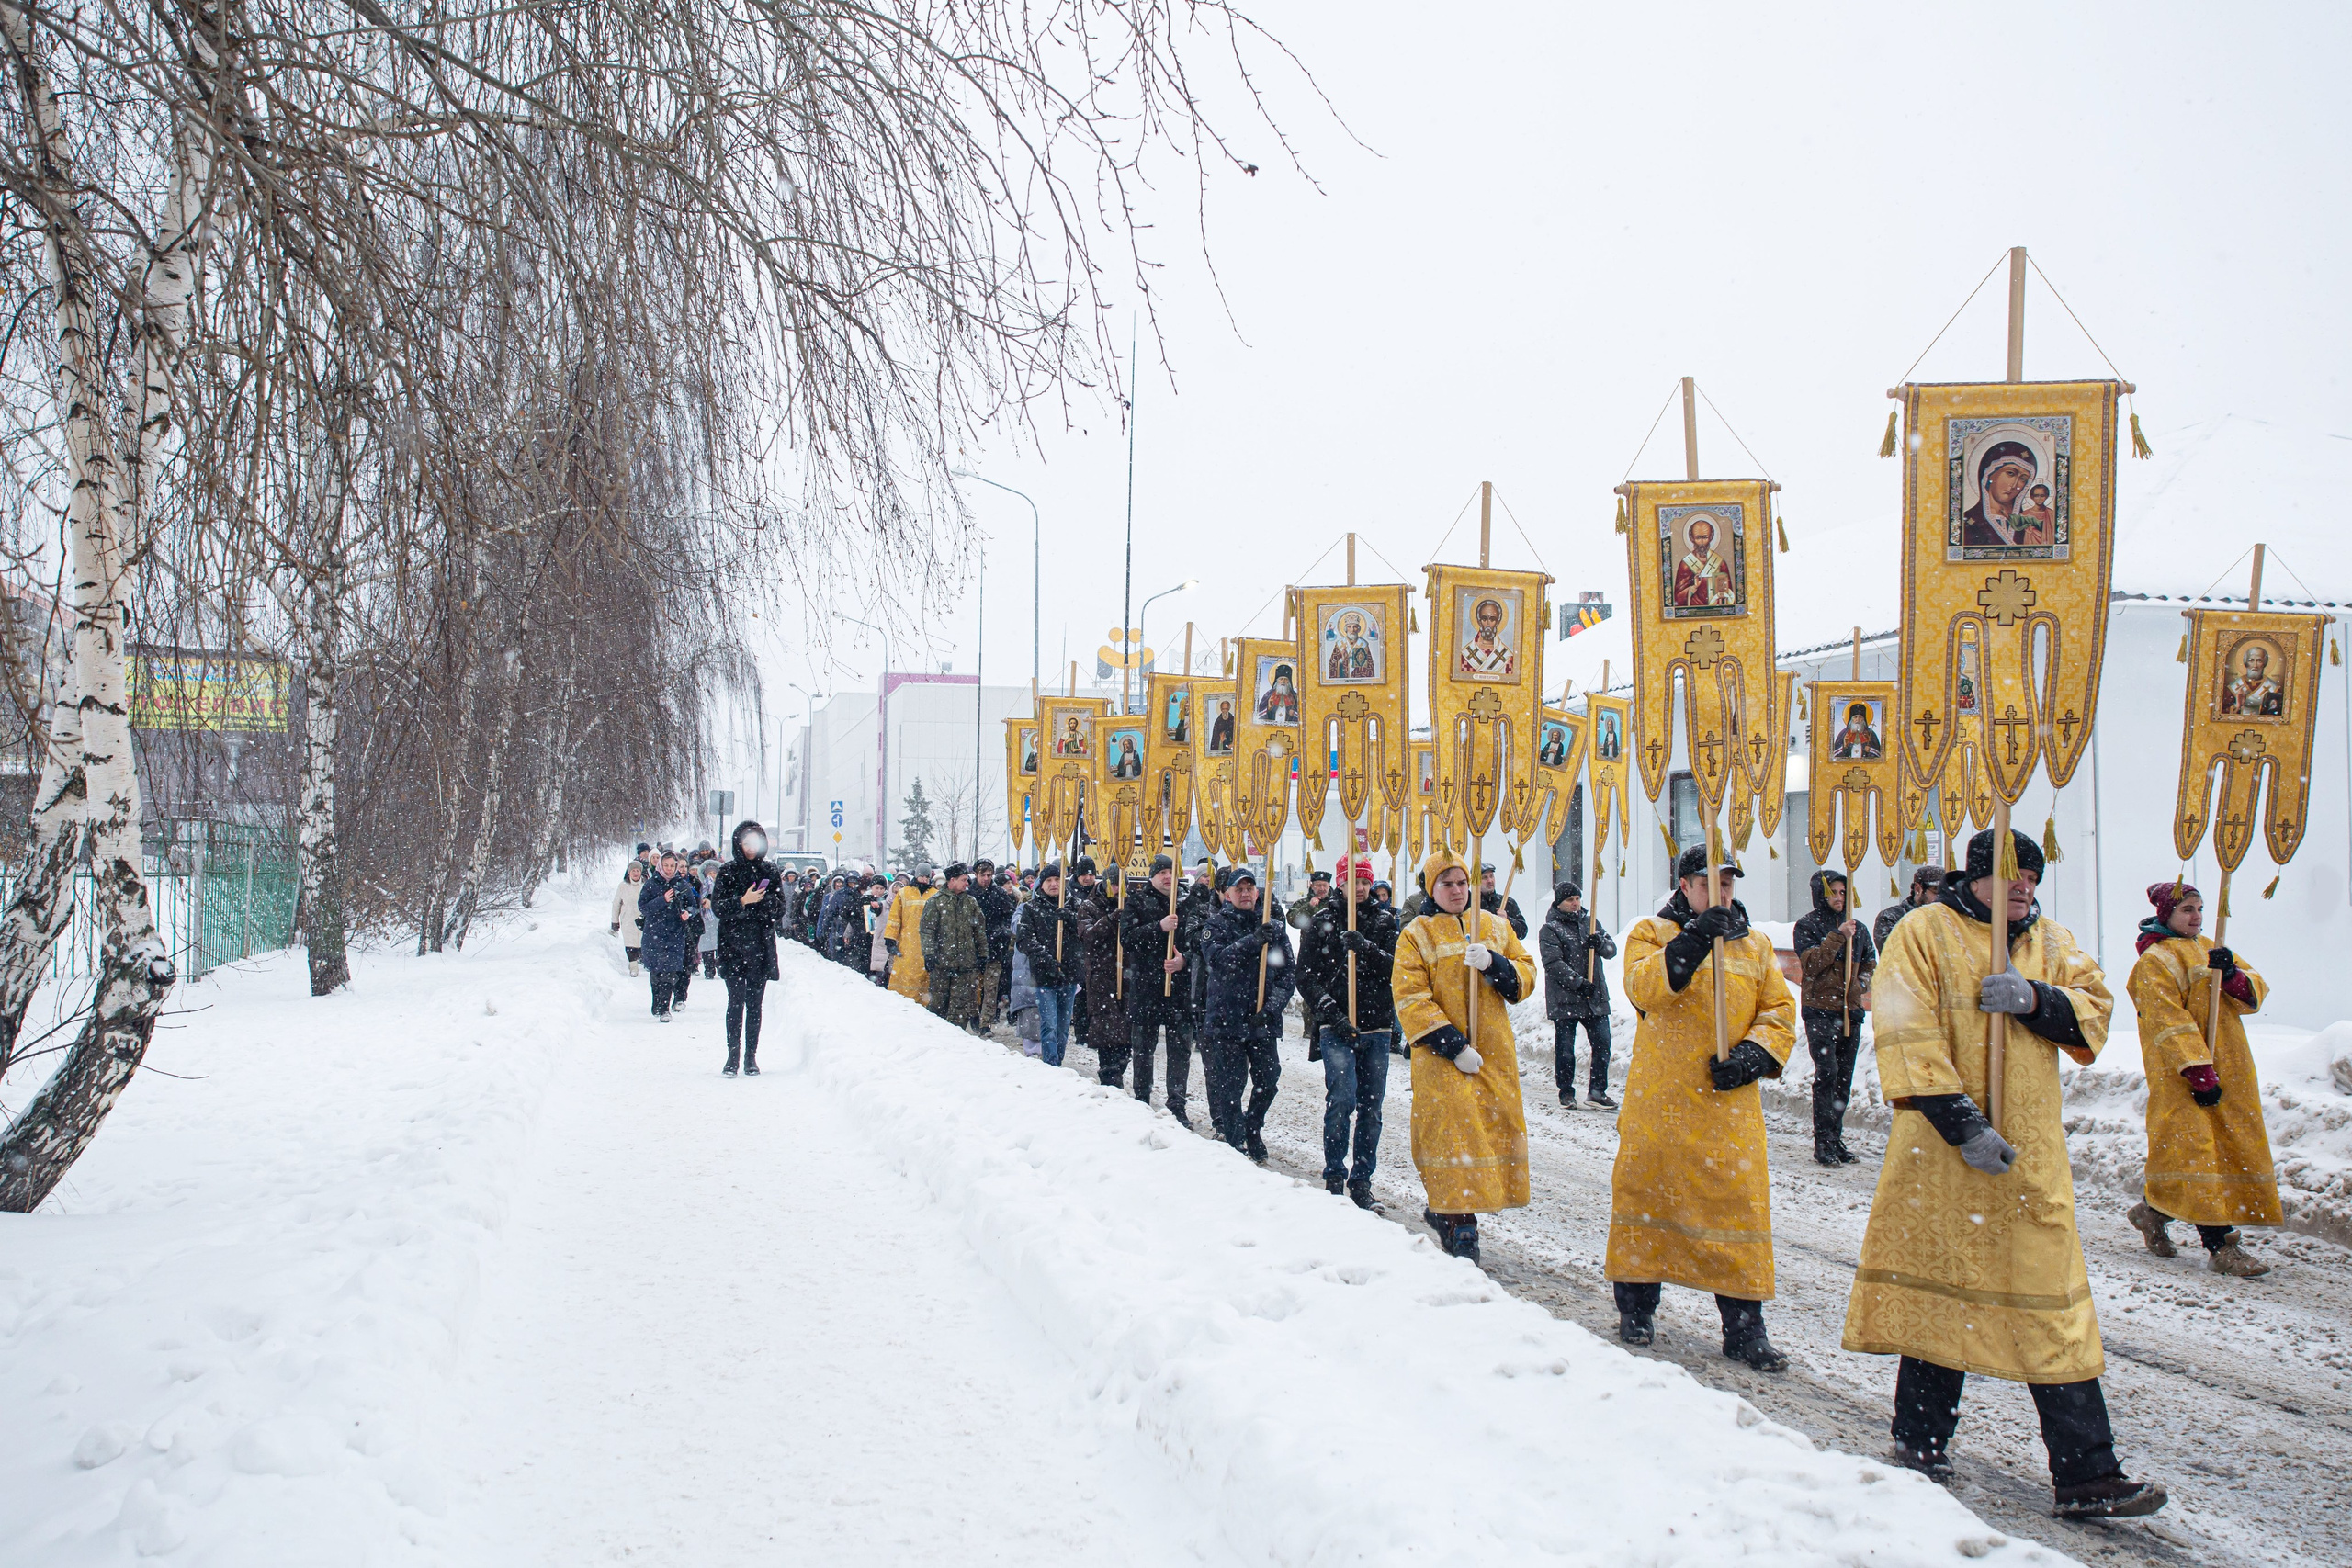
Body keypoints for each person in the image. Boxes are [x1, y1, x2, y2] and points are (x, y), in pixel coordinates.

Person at [1843, 829, 2167, 1519]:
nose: (2025, 886)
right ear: (1976, 874)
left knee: (2056, 1312)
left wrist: (2036, 999)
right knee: (1944, 1300)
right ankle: (1920, 1440)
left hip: (2028, 1166)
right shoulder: (1923, 932)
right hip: (1944, 1160)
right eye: (2012, 874)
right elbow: (1904, 1031)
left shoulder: (2050, 939)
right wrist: (1960, 1122)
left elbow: (2096, 1008)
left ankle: (2086, 1474)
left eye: (2033, 876)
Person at [1608, 847, 1797, 1369]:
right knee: (1649, 1200)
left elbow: (1779, 1010)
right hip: (1661, 1102)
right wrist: (1692, 940)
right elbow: (1643, 990)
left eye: (1728, 885)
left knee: (1736, 1209)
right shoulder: (1652, 934)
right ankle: (1637, 1308)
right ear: (1686, 887)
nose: (1722, 895)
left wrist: (1752, 1057)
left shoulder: (1755, 946)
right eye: (1709, 884)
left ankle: (1744, 1329)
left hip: (1726, 1108)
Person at [2124, 880, 2278, 1277]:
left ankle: (2152, 1211)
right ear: (2166, 915)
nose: (2196, 917)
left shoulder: (2211, 946)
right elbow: (2167, 1023)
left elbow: (2253, 990)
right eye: (2187, 909)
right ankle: (2222, 1247)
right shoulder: (2153, 962)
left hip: (2230, 1064)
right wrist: (2198, 1072)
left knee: (2220, 1149)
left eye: (2199, 908)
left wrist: (2231, 976)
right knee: (2196, 1153)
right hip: (2183, 1075)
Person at [1393, 849, 1535, 1264]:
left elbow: (1526, 975)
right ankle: (1460, 1227)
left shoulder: (1493, 926)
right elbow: (1410, 998)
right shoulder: (1416, 934)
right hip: (1442, 1060)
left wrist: (1498, 964)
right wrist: (1453, 1046)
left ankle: (1450, 1212)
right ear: (1431, 890)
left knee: (1486, 1135)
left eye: (1461, 883)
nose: (1456, 891)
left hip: (1493, 1055)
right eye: (1446, 884)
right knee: (1453, 1139)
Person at [1298, 855, 1400, 1207]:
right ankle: (1334, 1175)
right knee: (1341, 1100)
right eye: (1352, 881)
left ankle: (1362, 1180)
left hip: (1377, 1026)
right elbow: (1305, 976)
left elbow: (1399, 969)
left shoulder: (1388, 920)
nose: (1359, 888)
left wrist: (1367, 949)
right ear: (1339, 884)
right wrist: (1331, 1013)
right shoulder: (1321, 921)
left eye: (1365, 881)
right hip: (1336, 1026)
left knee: (1371, 1108)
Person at [1200, 865, 1292, 1161]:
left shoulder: (1273, 926)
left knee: (1268, 1079)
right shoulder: (1215, 925)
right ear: (1227, 894)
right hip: (1227, 1019)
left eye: (1250, 888)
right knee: (1231, 1085)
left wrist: (1271, 1008)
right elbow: (1219, 961)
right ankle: (1235, 1140)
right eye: (1238, 889)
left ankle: (1252, 1127)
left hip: (1260, 1021)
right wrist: (1254, 940)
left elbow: (1288, 973)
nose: (1245, 893)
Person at [1793, 869, 1876, 1167]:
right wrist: (1837, 938)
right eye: (1833, 893)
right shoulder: (1806, 927)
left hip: (1849, 1012)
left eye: (1843, 892)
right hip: (1820, 1011)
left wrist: (1859, 985)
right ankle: (1822, 1142)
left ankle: (1835, 1138)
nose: (1839, 898)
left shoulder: (1860, 929)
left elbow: (1869, 963)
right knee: (1827, 1074)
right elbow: (1812, 965)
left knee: (1843, 1078)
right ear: (1821, 894)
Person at [1117, 854, 1205, 1123]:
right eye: (1162, 872)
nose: (1167, 877)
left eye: (1171, 871)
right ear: (1152, 876)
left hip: (1179, 991)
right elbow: (1128, 939)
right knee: (1143, 1048)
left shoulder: (1188, 904)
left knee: (1179, 1050)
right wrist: (1159, 927)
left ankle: (1176, 1104)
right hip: (1146, 988)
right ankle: (1142, 1098)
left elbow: (1199, 943)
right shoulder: (1137, 901)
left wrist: (1184, 961)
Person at [708, 821, 785, 1076]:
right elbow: (718, 907)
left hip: (760, 946)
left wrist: (762, 902)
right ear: (738, 844)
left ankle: (751, 1057)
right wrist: (742, 901)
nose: (751, 848)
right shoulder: (728, 870)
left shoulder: (770, 871)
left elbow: (780, 908)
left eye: (755, 842)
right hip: (733, 946)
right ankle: (732, 1056)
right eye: (746, 842)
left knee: (755, 1005)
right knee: (735, 1002)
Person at [1538, 881, 1617, 1108]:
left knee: (1603, 1042)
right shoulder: (1551, 929)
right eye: (1569, 900)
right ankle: (1566, 1091)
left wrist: (1600, 943)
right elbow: (1553, 963)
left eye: (1577, 899)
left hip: (1595, 998)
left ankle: (1597, 1091)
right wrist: (1578, 983)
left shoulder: (1591, 924)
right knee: (1565, 1048)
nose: (1575, 904)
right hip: (1566, 999)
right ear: (1559, 903)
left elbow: (1611, 951)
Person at [1014, 863, 1083, 1066]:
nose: (1054, 884)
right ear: (1041, 884)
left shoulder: (1075, 905)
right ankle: (1051, 1063)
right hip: (1045, 976)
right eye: (1049, 881)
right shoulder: (1032, 908)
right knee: (1049, 1023)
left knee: (1063, 1025)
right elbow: (1024, 939)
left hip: (1069, 974)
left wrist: (1070, 919)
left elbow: (1085, 931)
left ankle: (1058, 1060)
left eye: (1057, 880)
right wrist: (1045, 958)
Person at [920, 863, 989, 1031]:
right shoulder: (936, 902)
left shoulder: (970, 902)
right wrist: (929, 955)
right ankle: (937, 1040)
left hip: (965, 966)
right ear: (952, 880)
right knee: (938, 1006)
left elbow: (979, 930)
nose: (967, 883)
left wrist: (983, 954)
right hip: (941, 965)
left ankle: (956, 1040)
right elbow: (927, 931)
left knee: (960, 1009)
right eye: (964, 880)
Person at [1076, 861, 1129, 1068]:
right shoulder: (1089, 906)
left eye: (1122, 885)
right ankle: (1109, 1076)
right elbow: (1088, 936)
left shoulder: (1129, 904)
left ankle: (1120, 1067)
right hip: (1101, 980)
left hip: (1126, 978)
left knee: (1125, 1040)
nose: (1118, 890)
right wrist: (1111, 919)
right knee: (1107, 1035)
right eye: (1114, 884)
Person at [637, 852, 701, 1021]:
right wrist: (663, 900)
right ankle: (657, 1001)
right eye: (666, 865)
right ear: (660, 866)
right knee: (656, 971)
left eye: (672, 865)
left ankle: (665, 1008)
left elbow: (693, 906)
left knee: (670, 971)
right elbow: (643, 907)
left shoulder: (681, 884)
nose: (669, 868)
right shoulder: (651, 884)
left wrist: (688, 913)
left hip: (675, 934)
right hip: (654, 934)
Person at [1960, 441, 2043, 549]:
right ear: (1990, 474)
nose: (2014, 485)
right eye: (2010, 473)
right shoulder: (1968, 521)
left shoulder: (2028, 523)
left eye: (2023, 479)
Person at [972, 860, 1018, 1027]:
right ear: (976, 875)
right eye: (982, 875)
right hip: (973, 949)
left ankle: (986, 1023)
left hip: (995, 947)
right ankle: (974, 1016)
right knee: (973, 988)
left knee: (991, 989)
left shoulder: (998, 893)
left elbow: (1010, 916)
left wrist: (1003, 932)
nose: (985, 878)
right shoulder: (969, 893)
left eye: (989, 875)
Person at [881, 865, 935, 1003]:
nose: (924, 879)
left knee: (924, 983)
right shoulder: (904, 893)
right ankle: (903, 1008)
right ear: (916, 876)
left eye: (927, 877)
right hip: (907, 946)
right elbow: (894, 918)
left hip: (927, 946)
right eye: (922, 876)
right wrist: (890, 940)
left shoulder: (935, 894)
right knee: (905, 981)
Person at [1672, 515, 1736, 607]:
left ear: (1711, 537)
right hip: (1694, 611)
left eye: (1705, 537)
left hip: (1716, 610)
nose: (1702, 543)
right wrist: (1693, 588)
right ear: (1692, 538)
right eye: (1698, 538)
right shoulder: (1686, 564)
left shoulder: (1720, 563)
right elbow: (1678, 598)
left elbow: (1730, 596)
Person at [1875, 865, 1940, 953]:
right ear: (1918, 889)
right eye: (1936, 891)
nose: (1941, 897)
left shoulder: (1945, 919)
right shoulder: (1890, 917)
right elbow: (1896, 954)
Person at [2220, 644, 2284, 716]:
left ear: (2264, 664)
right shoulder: (2232, 688)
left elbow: (2278, 715)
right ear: (2246, 663)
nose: (2255, 665)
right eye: (2251, 660)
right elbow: (2221, 713)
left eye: (2259, 661)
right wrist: (2237, 706)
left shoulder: (2274, 688)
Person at [612, 859, 647, 976]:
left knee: (643, 942)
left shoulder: (646, 885)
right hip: (628, 919)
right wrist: (615, 922)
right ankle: (633, 966)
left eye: (637, 870)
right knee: (630, 943)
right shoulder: (623, 886)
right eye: (633, 871)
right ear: (629, 872)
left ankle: (643, 961)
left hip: (643, 919)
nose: (635, 873)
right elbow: (616, 904)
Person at [1478, 864, 1527, 939]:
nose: (1490, 881)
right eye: (1485, 878)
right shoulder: (1471, 904)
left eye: (1491, 876)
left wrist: (1508, 919)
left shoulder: (1508, 902)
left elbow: (1522, 932)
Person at [695, 862, 721, 980]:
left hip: (719, 919)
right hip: (706, 919)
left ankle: (721, 966)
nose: (712, 876)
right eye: (709, 873)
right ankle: (709, 968)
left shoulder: (722, 886)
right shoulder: (702, 886)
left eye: (714, 873)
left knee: (720, 944)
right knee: (707, 946)